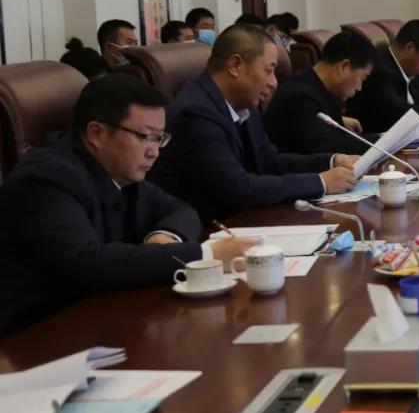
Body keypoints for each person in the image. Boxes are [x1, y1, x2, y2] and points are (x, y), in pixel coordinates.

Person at [0, 75, 259, 335]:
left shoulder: (117, 169)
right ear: (96, 134)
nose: (154, 152)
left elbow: (181, 210)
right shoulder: (47, 179)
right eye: (145, 137)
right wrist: (207, 255)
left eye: (159, 138)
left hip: (105, 315)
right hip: (41, 336)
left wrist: (164, 236)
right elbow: (88, 262)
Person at [148, 24, 359, 224]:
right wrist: (321, 182)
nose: (274, 82)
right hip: (210, 232)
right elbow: (238, 188)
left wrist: (331, 161)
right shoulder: (196, 113)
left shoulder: (243, 104)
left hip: (244, 219)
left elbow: (269, 162)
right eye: (268, 70)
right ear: (235, 66)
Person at [264, 31, 376, 155]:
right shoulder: (299, 98)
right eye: (363, 78)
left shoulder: (321, 88)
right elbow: (328, 149)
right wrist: (380, 140)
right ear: (344, 66)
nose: (360, 87)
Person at [345, 19, 419, 133]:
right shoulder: (380, 71)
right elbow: (401, 112)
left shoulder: (400, 66)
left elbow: (414, 96)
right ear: (410, 48)